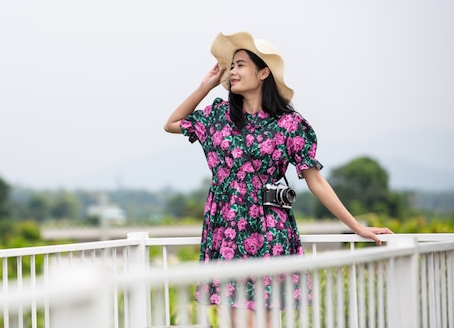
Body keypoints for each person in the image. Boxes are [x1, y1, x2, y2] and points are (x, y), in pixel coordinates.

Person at [164, 31, 393, 327]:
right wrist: (205, 86)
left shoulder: (289, 125)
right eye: (231, 66)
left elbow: (316, 181)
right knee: (239, 321)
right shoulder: (218, 116)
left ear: (263, 72)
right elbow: (172, 124)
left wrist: (356, 227)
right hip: (228, 228)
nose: (232, 71)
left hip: (270, 229)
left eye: (240, 65)